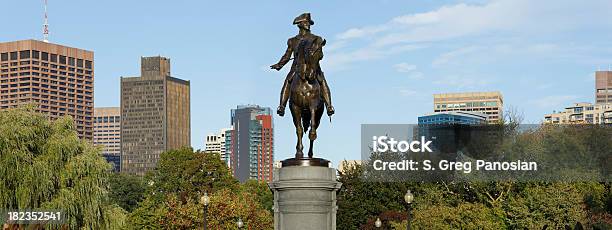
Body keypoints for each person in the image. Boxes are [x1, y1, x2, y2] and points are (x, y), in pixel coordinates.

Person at [270, 13, 334, 117]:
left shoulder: (316, 39)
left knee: (322, 81)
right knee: (288, 81)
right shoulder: (292, 40)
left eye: (309, 23)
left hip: (313, 67)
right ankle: (282, 106)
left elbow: (319, 54)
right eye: (305, 22)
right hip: (296, 67)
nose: (308, 24)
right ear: (299, 24)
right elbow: (287, 55)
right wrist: (279, 64)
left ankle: (329, 106)